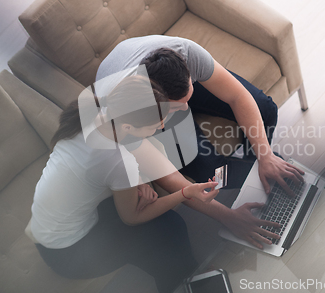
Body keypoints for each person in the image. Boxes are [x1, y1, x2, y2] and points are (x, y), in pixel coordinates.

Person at [95, 35, 306, 249]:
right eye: (177, 108)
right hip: (138, 95)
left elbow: (238, 97)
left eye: (188, 100)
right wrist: (228, 217)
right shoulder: (130, 114)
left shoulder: (186, 52)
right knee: (209, 171)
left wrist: (265, 155)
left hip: (161, 81)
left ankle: (261, 169)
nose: (187, 111)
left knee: (266, 109)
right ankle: (254, 174)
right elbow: (170, 178)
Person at [30, 76, 219, 293]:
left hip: (47, 231)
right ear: (128, 126)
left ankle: (187, 274)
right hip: (67, 254)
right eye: (157, 124)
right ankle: (186, 279)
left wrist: (136, 181)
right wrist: (187, 192)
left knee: (156, 237)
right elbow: (131, 218)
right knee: (170, 228)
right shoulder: (117, 160)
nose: (162, 125)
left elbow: (106, 166)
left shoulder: (93, 113)